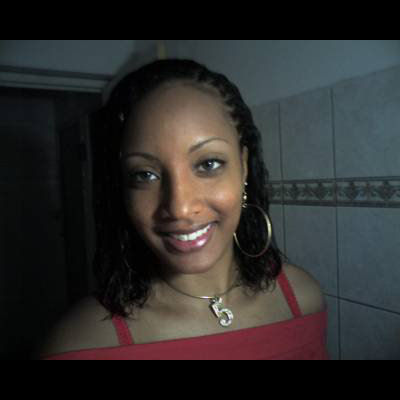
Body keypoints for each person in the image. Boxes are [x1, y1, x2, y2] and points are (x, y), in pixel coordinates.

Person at [38, 59, 329, 360]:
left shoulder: (302, 298)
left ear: (243, 166)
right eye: (145, 174)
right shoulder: (80, 345)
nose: (180, 208)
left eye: (208, 164)